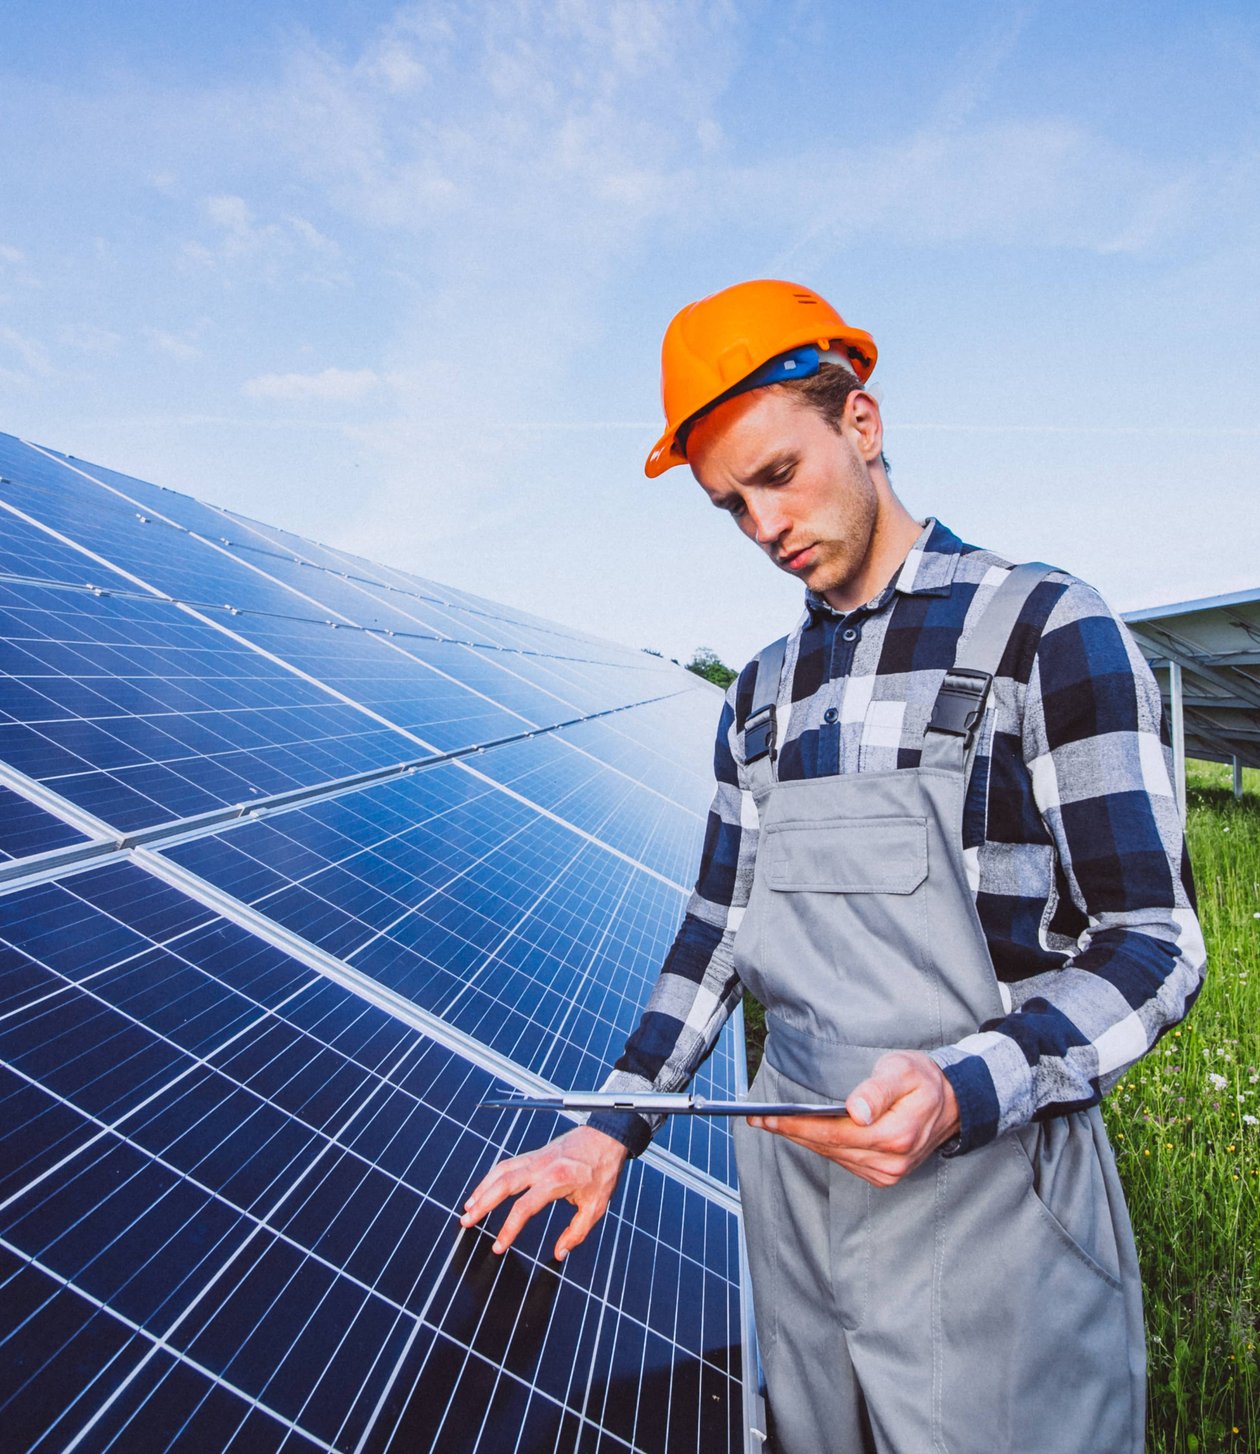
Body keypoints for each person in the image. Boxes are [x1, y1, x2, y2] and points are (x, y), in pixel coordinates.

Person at [460, 279, 1206, 1453]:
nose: (764, 525)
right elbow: (717, 930)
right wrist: (608, 1125)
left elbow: (1155, 944)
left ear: (860, 422)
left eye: (779, 474)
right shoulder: (757, 695)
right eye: (730, 505)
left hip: (993, 1207)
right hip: (798, 1209)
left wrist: (967, 1083)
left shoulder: (1046, 631)